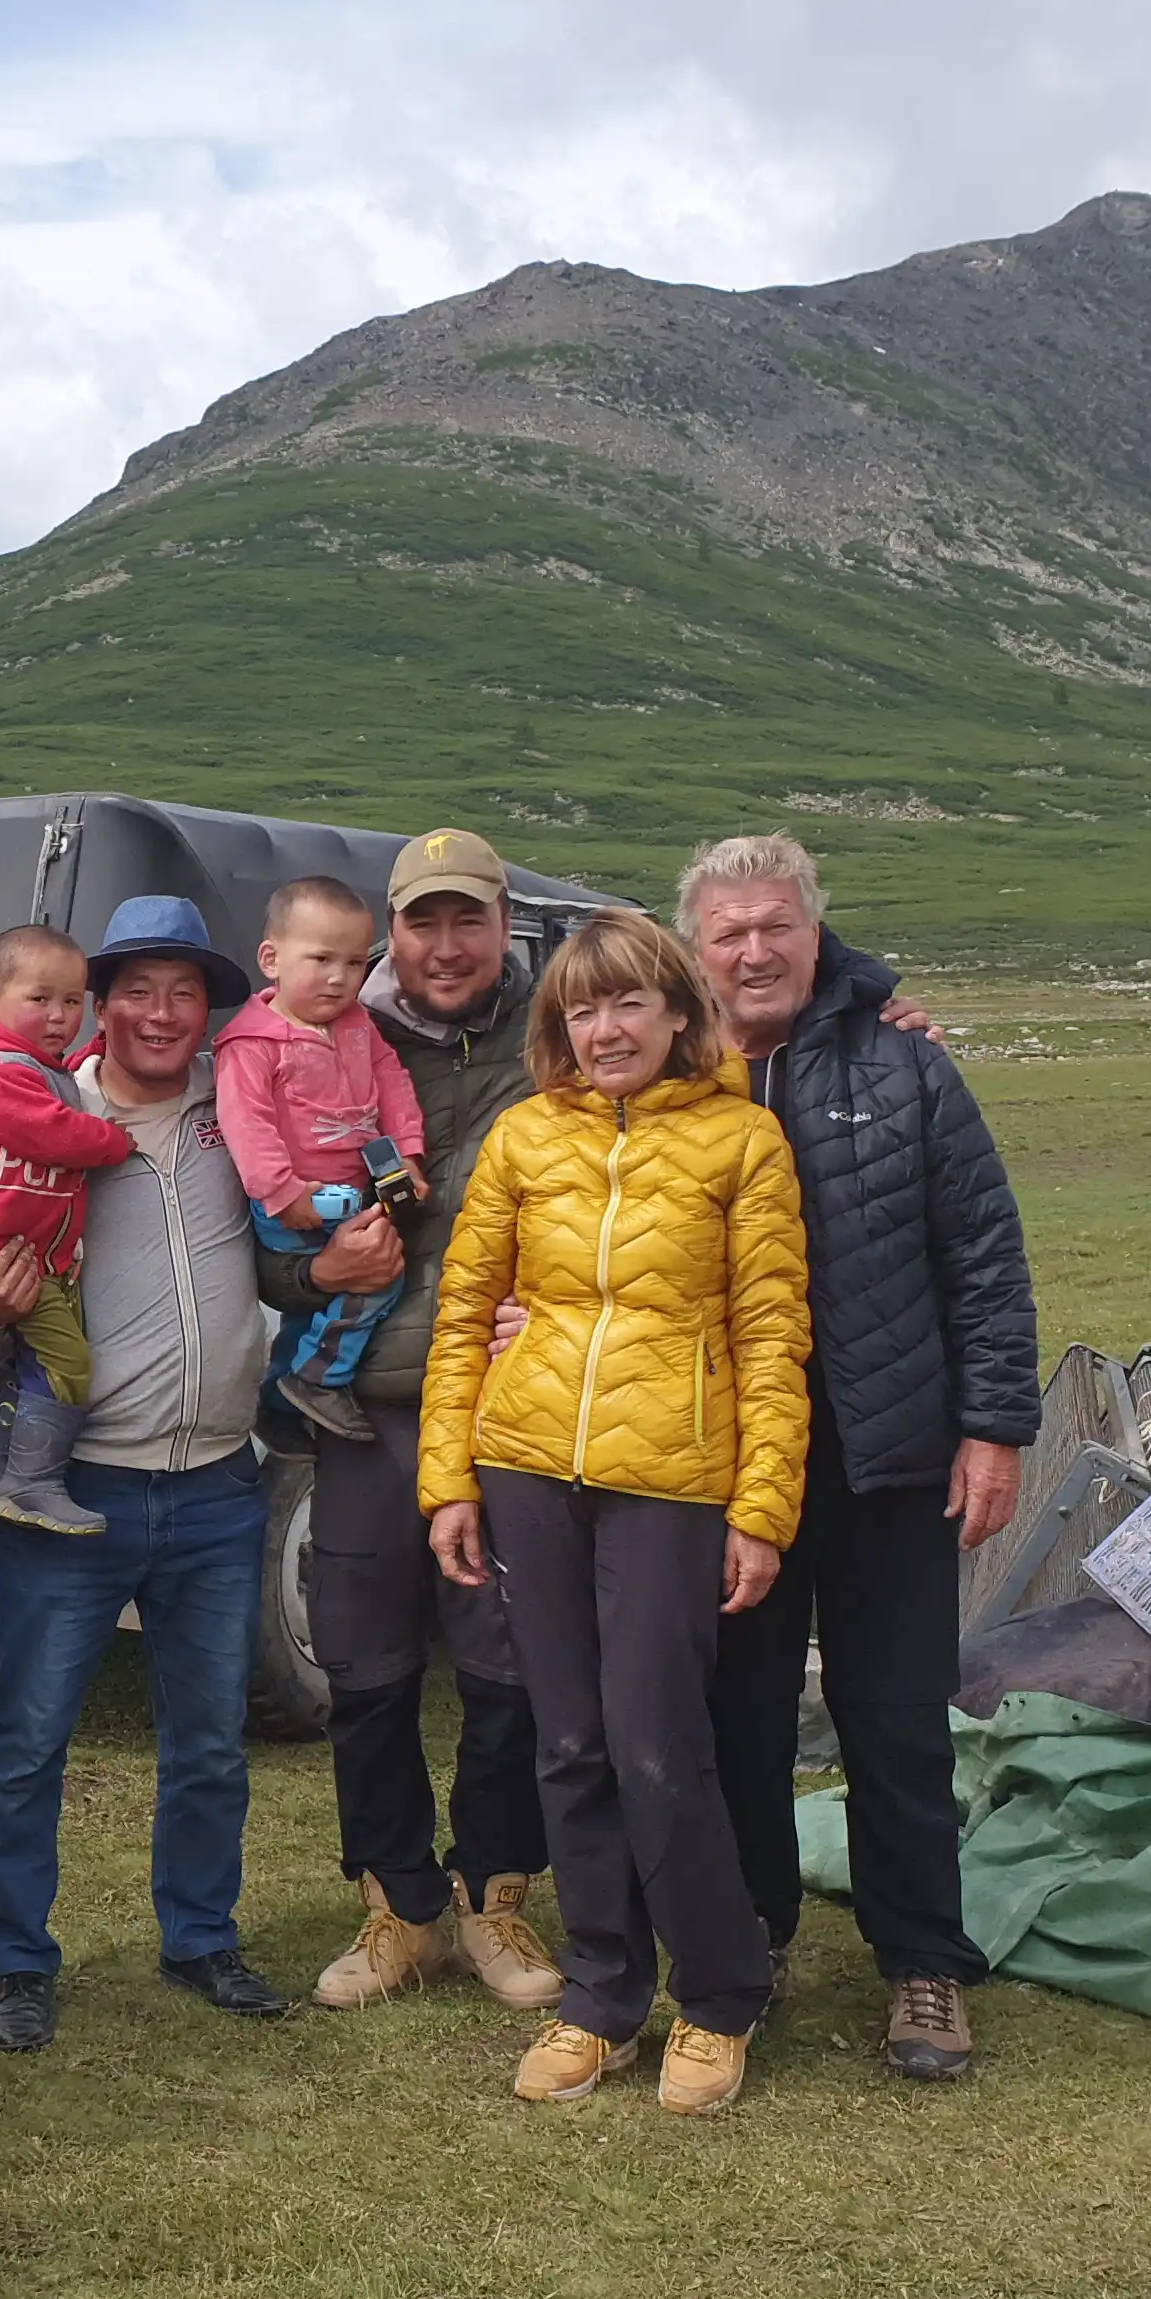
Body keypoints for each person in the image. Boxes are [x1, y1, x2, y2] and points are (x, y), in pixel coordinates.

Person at [419, 909, 812, 2118]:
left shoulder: (744, 1143)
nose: (605, 1028)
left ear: (681, 1017)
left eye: (630, 1003)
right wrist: (450, 1477)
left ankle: (719, 1992)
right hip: (532, 1468)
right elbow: (465, 1305)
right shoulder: (523, 1139)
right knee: (570, 1745)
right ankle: (601, 1996)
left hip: (670, 1483)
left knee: (657, 1744)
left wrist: (762, 1509)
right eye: (582, 1009)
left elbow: (773, 1334)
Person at [684, 834, 1039, 2085]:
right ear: (698, 949)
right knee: (741, 1719)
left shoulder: (905, 1073)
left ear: (813, 932)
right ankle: (755, 1936)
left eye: (774, 925)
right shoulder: (669, 1087)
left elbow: (983, 1258)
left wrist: (994, 1429)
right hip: (733, 1465)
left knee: (897, 1722)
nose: (754, 950)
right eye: (728, 932)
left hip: (892, 1451)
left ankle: (923, 1965)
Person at [0, 894, 286, 2051]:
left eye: (183, 989)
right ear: (98, 1004)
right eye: (135, 988)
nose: (159, 1011)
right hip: (76, 1488)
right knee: (30, 1737)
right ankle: (17, 1960)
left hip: (217, 1483)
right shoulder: (46, 1105)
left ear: (211, 1006)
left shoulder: (241, 1110)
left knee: (207, 1738)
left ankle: (202, 1938)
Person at [254, 828, 563, 2017]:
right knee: (368, 1669)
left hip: (507, 1410)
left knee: (506, 1671)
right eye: (423, 923)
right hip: (370, 1408)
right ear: (393, 934)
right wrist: (316, 1276)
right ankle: (398, 1908)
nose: (446, 945)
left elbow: (698, 1057)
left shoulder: (562, 1033)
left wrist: (877, 1016)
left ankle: (496, 1897)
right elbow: (261, 1235)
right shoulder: (326, 1036)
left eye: (468, 920)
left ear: (504, 927)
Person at [0, 922, 138, 1539]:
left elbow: (54, 1085)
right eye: (41, 999)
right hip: (6, 1255)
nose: (59, 1015)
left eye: (73, 1001)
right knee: (70, 1365)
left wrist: (93, 1056)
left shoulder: (29, 1064)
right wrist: (115, 1139)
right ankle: (30, 1482)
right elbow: (52, 1129)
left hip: (40, 1257)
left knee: (39, 1368)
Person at [213, 874, 426, 1444]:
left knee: (313, 1310)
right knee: (378, 1275)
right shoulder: (251, 1044)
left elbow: (393, 1083)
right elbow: (246, 1126)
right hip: (297, 1196)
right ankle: (318, 1379)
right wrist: (283, 1194)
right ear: (271, 959)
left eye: (356, 963)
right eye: (322, 959)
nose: (339, 977)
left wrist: (407, 1152)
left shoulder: (357, 1026)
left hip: (354, 1187)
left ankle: (281, 1404)